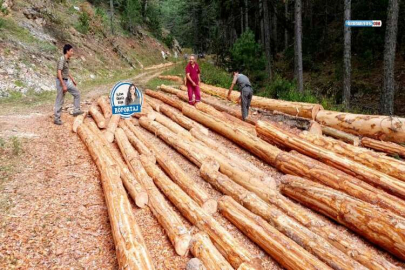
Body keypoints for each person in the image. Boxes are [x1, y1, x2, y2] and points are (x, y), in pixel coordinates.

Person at [54, 44, 83, 125]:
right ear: (67, 51)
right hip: (61, 81)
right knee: (60, 100)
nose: (72, 52)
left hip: (67, 81)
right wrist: (63, 85)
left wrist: (72, 79)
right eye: (71, 51)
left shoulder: (67, 59)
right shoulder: (62, 59)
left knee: (76, 93)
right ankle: (56, 118)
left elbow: (66, 70)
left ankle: (76, 110)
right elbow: (59, 72)